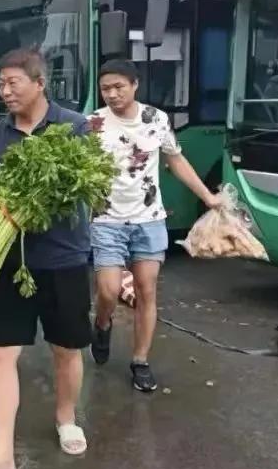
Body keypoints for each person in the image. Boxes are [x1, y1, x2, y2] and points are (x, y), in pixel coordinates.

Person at [0, 49, 93, 469]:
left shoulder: (75, 127)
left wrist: (33, 207)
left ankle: (66, 418)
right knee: (1, 353)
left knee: (67, 348)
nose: (5, 91)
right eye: (0, 84)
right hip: (8, 262)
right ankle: (2, 459)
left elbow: (84, 188)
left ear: (39, 83)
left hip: (64, 258)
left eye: (13, 82)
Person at [88, 59, 220, 392]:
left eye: (119, 87)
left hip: (149, 220)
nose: (113, 94)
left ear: (134, 85)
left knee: (147, 289)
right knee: (108, 290)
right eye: (106, 89)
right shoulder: (93, 124)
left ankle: (140, 361)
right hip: (106, 220)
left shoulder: (156, 119)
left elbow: (175, 160)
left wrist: (208, 196)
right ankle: (102, 324)